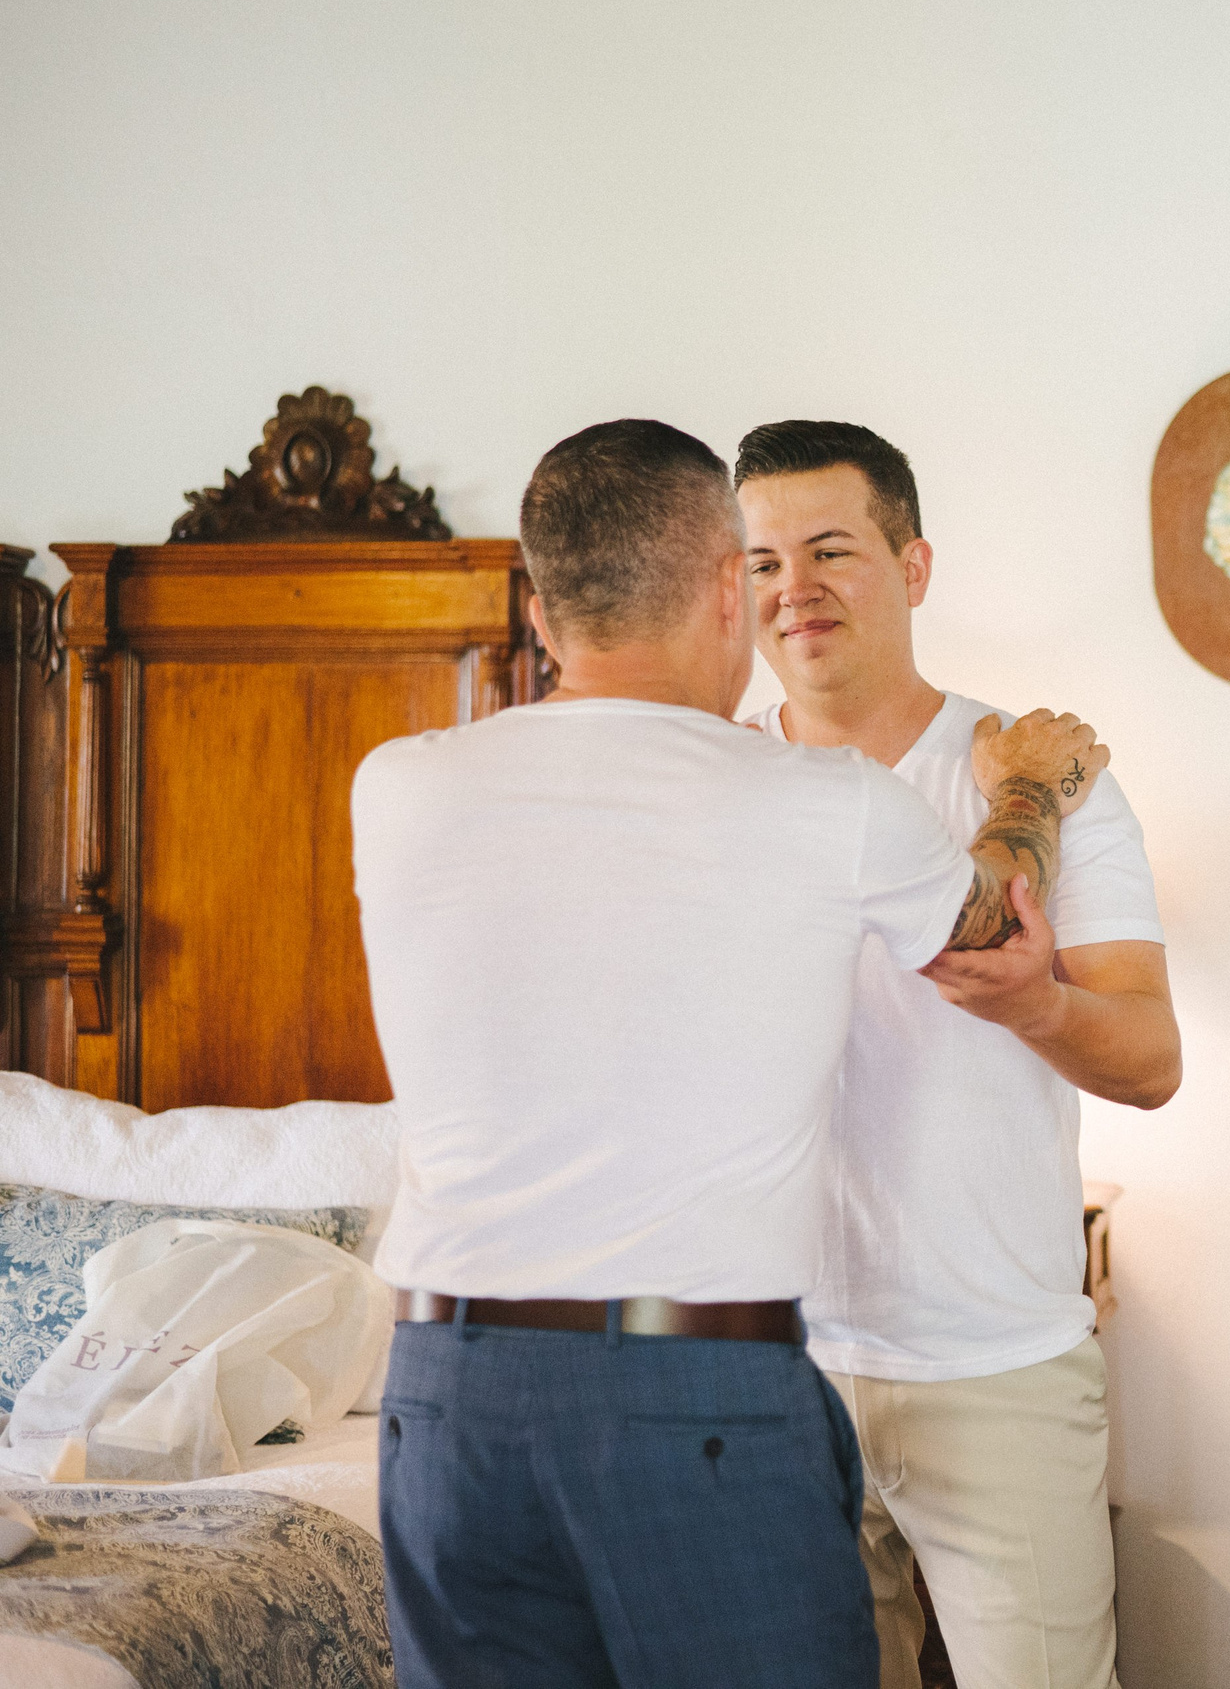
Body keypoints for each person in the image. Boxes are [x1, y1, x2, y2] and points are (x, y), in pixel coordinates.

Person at [351, 418, 1109, 1689]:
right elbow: (996, 931)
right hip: (690, 1392)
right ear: (724, 588)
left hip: (443, 1397)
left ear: (542, 612)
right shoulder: (824, 805)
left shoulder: (398, 785)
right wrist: (1027, 789)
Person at [734, 420, 1180, 1689]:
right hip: (774, 1380)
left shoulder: (1042, 774)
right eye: (762, 561)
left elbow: (1150, 1056)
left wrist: (1033, 1000)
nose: (792, 590)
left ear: (915, 564)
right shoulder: (713, 789)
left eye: (830, 550)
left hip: (999, 1365)